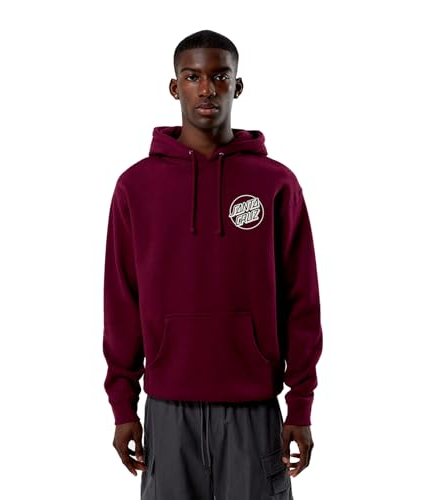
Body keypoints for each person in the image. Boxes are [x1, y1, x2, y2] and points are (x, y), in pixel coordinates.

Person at [102, 29, 323, 500]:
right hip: (167, 410)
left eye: (220, 76)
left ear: (237, 86)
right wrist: (123, 405)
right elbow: (121, 300)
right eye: (193, 77)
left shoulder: (276, 183)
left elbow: (301, 299)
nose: (207, 89)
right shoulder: (135, 187)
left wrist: (300, 405)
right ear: (174, 87)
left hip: (253, 410)